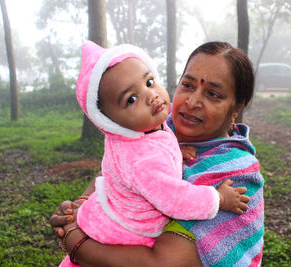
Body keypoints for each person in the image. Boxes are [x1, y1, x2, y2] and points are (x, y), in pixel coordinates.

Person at [50, 41, 264, 267]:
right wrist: (78, 208)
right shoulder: (156, 126)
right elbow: (118, 172)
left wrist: (75, 241)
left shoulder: (238, 174)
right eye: (188, 85)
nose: (192, 103)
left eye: (212, 94)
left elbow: (162, 263)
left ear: (237, 106)